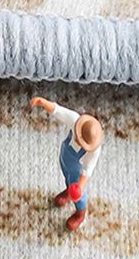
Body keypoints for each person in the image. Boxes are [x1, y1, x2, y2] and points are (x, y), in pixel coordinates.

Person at [29, 96, 103, 231]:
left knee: (78, 194)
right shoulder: (75, 121)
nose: (78, 140)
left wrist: (79, 186)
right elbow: (58, 110)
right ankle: (68, 191)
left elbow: (88, 170)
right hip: (65, 158)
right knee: (67, 178)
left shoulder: (94, 150)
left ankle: (80, 213)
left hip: (76, 169)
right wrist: (43, 102)